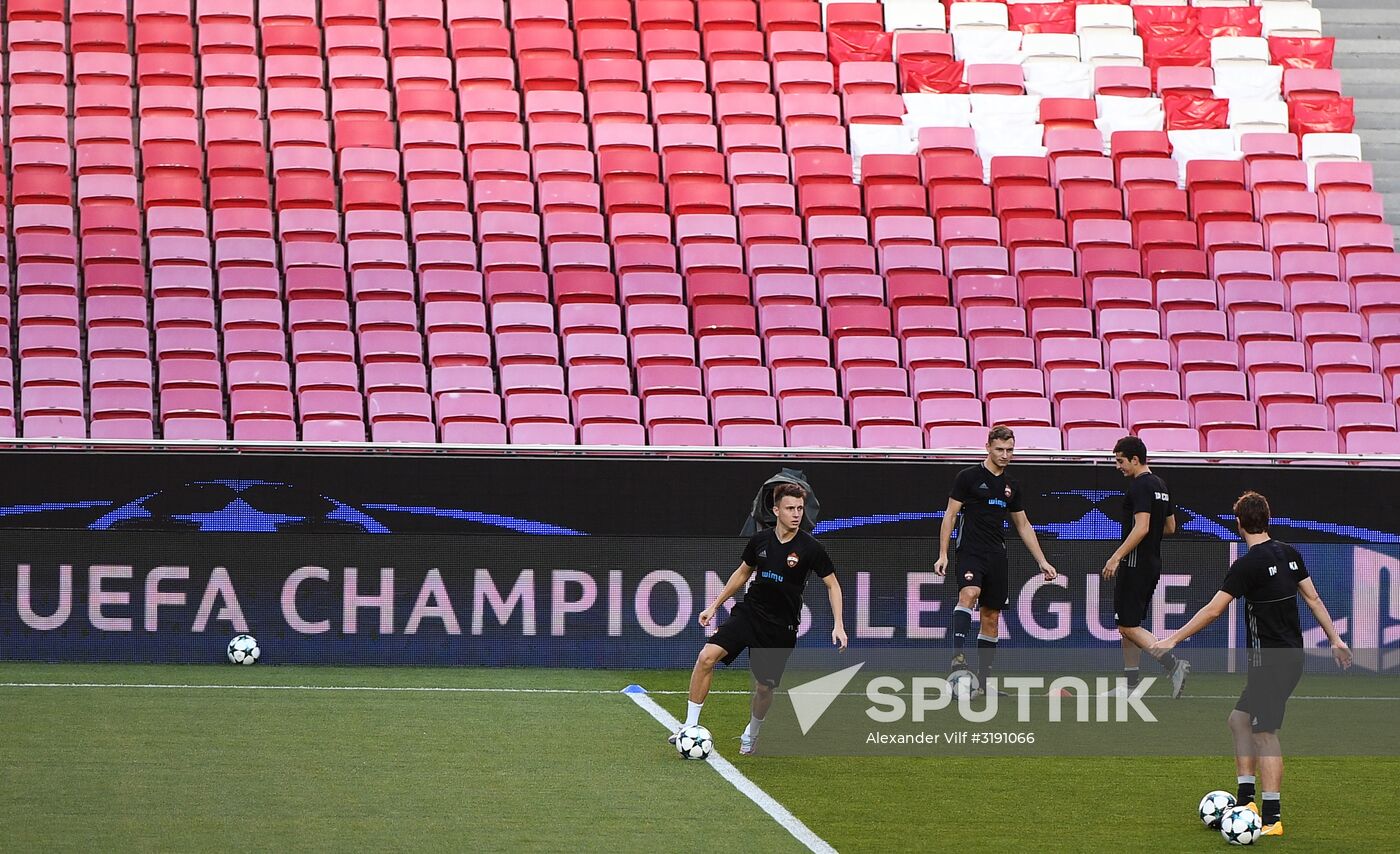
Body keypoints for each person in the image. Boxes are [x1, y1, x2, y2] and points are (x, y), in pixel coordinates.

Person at [1151, 491, 1351, 838]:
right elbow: (1314, 598)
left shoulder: (1248, 564)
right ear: (1267, 519)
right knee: (1238, 720)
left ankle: (1272, 818)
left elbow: (1213, 610)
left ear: (1238, 522)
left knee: (1264, 733)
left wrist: (1173, 639)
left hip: (1272, 663)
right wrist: (1334, 639)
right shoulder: (1289, 552)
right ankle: (1247, 801)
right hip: (1286, 658)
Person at [672, 483, 847, 756]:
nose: (796, 514)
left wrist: (839, 624)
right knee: (706, 657)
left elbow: (833, 585)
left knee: (764, 688)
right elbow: (742, 573)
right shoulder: (760, 540)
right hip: (749, 614)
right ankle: (688, 726)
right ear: (776, 510)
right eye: (790, 508)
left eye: (800, 508)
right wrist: (714, 606)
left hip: (780, 627)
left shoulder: (811, 548)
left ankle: (752, 732)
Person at [934, 426, 1058, 695]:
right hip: (970, 550)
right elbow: (950, 516)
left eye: (1010, 450)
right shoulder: (967, 477)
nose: (1005, 455)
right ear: (988, 447)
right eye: (1000, 449)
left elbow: (1023, 524)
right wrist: (943, 553)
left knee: (991, 616)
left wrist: (1042, 561)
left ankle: (982, 683)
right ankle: (957, 657)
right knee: (969, 593)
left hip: (997, 556)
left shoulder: (1011, 486)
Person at [1101, 435, 1190, 698]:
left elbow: (1142, 528)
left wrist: (1116, 556)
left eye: (1120, 461)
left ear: (1135, 459)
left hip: (1135, 562)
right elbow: (1171, 527)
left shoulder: (1139, 486)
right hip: (1152, 561)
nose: (1118, 467)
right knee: (1128, 623)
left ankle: (1172, 664)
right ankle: (1130, 685)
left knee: (1127, 627)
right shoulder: (1161, 484)